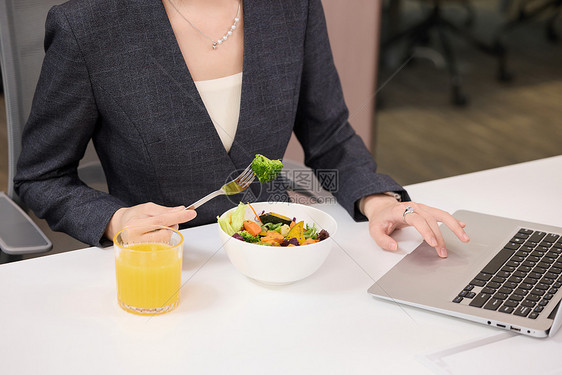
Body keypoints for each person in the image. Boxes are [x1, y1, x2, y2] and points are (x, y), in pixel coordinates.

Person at [15, 0, 469, 257]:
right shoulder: (90, 24)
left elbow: (329, 135)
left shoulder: (293, 8)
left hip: (277, 251)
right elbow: (42, 176)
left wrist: (377, 198)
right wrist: (115, 220)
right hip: (167, 266)